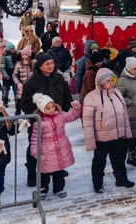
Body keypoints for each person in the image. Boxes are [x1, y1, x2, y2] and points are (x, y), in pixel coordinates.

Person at [21, 52, 73, 187]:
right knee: (34, 147)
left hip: (56, 120)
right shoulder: (31, 83)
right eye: (47, 64)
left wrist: (63, 111)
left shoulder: (59, 78)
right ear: (40, 66)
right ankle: (32, 173)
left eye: (52, 63)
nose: (50, 66)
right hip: (38, 122)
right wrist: (37, 115)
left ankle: (57, 169)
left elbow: (67, 95)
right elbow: (25, 104)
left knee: (56, 144)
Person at [83, 68, 134, 193]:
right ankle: (98, 184)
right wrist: (90, 140)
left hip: (117, 134)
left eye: (112, 80)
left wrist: (127, 132)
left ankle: (121, 179)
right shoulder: (91, 97)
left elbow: (124, 114)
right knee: (99, 162)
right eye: (107, 81)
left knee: (119, 159)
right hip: (102, 137)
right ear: (100, 83)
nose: (111, 83)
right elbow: (87, 121)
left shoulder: (117, 93)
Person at [31, 93, 82, 199]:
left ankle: (58, 188)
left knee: (59, 170)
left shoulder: (60, 115)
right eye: (48, 108)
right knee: (44, 172)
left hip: (60, 148)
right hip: (46, 151)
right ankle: (42, 190)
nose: (51, 109)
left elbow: (72, 116)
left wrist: (77, 109)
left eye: (52, 106)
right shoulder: (39, 123)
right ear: (41, 110)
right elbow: (35, 140)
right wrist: (36, 153)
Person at [13, 46, 35, 116]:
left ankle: (28, 113)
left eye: (26, 54)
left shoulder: (34, 63)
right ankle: (18, 110)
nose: (24, 56)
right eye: (22, 54)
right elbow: (14, 75)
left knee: (29, 100)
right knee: (19, 99)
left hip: (32, 86)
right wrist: (18, 83)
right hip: (22, 85)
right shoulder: (19, 64)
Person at [0, 41, 17, 107]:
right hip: (7, 74)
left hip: (14, 74)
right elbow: (2, 67)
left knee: (15, 89)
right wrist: (5, 75)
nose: (13, 50)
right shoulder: (4, 57)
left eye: (13, 48)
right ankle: (5, 101)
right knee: (6, 90)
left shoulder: (16, 54)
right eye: (11, 49)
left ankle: (17, 101)